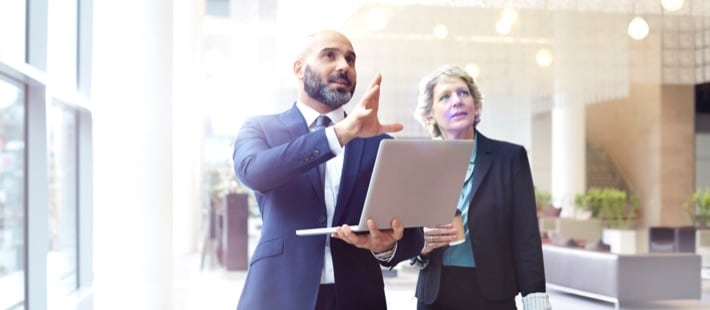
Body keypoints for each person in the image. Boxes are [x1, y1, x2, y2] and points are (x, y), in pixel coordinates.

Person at [232, 29, 424, 310]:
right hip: (279, 295)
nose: (344, 65)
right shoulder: (260, 128)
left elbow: (412, 235)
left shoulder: (380, 144)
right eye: (329, 56)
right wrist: (339, 135)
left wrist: (385, 246)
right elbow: (255, 173)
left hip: (358, 297)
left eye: (350, 59)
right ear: (299, 69)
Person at [409, 64, 551, 310]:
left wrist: (535, 296)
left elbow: (526, 235)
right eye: (445, 97)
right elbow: (407, 234)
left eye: (463, 93)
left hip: (494, 295)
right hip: (434, 295)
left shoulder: (510, 157)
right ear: (430, 115)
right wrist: (420, 247)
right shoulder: (421, 163)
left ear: (475, 106)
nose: (457, 101)